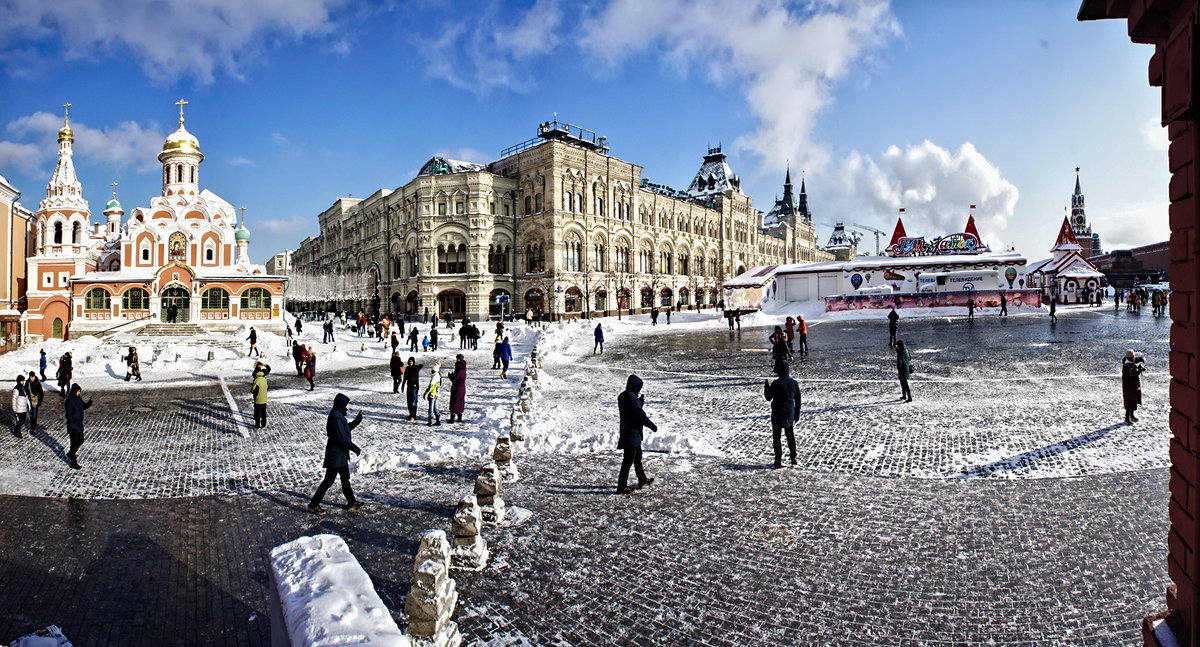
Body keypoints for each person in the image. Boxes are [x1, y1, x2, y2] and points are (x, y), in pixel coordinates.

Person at [307, 393, 365, 514]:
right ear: (340, 405)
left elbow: (344, 429)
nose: (347, 408)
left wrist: (356, 422)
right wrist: (355, 448)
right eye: (345, 405)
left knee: (345, 479)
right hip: (336, 454)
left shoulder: (338, 415)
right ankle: (313, 504)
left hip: (341, 454)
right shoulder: (335, 416)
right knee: (328, 480)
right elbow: (341, 438)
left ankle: (351, 502)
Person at [616, 374, 657, 495]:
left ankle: (642, 480)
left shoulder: (623, 396)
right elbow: (640, 416)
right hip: (632, 434)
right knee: (628, 461)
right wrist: (652, 426)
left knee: (637, 457)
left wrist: (639, 402)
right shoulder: (631, 398)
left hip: (629, 432)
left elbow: (631, 410)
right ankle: (621, 487)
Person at [764, 362, 801, 468]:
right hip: (789, 412)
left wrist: (766, 387)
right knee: (790, 435)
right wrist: (797, 413)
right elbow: (798, 400)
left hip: (777, 412)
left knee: (777, 437)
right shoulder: (794, 383)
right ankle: (793, 456)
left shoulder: (776, 383)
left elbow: (768, 397)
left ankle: (778, 459)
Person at [64, 383, 92, 469]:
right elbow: (68, 415)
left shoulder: (78, 398)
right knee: (74, 443)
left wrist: (89, 403)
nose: (79, 393)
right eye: (78, 391)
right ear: (74, 391)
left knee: (81, 440)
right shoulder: (69, 400)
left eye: (80, 391)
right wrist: (71, 425)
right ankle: (73, 462)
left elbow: (83, 406)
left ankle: (70, 453)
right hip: (73, 426)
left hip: (79, 424)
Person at [1122, 349, 1146, 424]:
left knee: (1134, 399)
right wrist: (1139, 371)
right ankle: (1127, 417)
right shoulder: (1127, 365)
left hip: (1133, 385)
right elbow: (1131, 375)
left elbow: (1135, 361)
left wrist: (1141, 359)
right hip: (1129, 386)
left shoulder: (1129, 362)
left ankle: (1131, 415)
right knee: (1130, 401)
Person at [448, 354, 467, 424]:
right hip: (462, 388)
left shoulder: (459, 369)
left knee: (454, 402)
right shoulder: (464, 369)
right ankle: (459, 418)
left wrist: (450, 376)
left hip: (457, 388)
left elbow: (455, 379)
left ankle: (452, 419)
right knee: (460, 402)